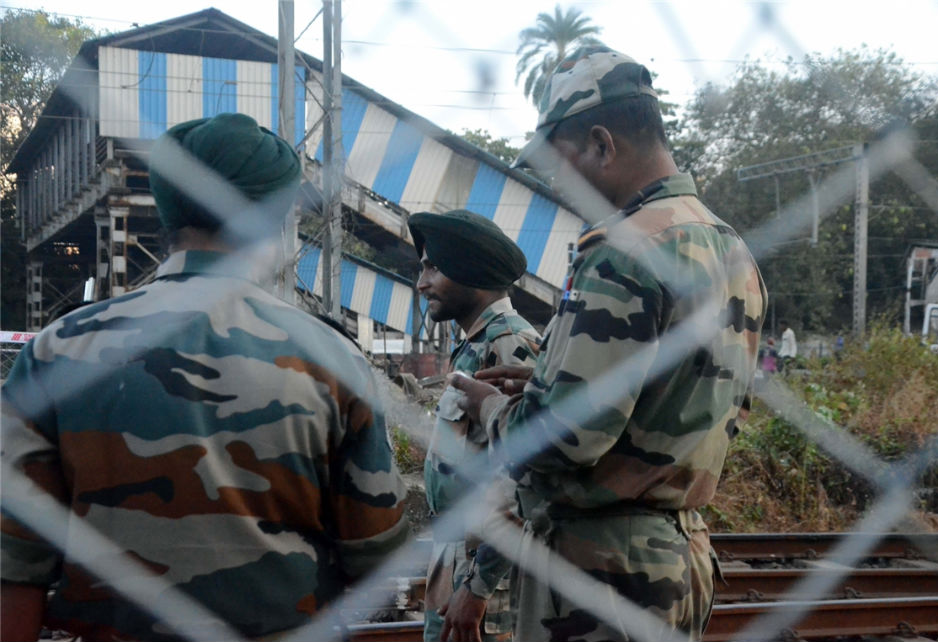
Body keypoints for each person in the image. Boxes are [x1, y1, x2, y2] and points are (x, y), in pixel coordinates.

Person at [1, 113, 408, 641]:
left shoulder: (58, 350)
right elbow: (377, 556)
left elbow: (14, 565)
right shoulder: (332, 358)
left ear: (167, 208)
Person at [450, 46, 766, 641]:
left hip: (600, 567)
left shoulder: (622, 250)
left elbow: (566, 439)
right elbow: (713, 406)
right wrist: (548, 383)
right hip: (679, 549)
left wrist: (492, 408)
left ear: (601, 144)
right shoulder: (732, 250)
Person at [408, 209, 541, 642]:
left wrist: (480, 586)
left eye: (434, 267)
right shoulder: (477, 343)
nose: (421, 283)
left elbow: (527, 475)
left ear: (473, 271)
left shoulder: (509, 344)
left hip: (489, 567)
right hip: (458, 555)